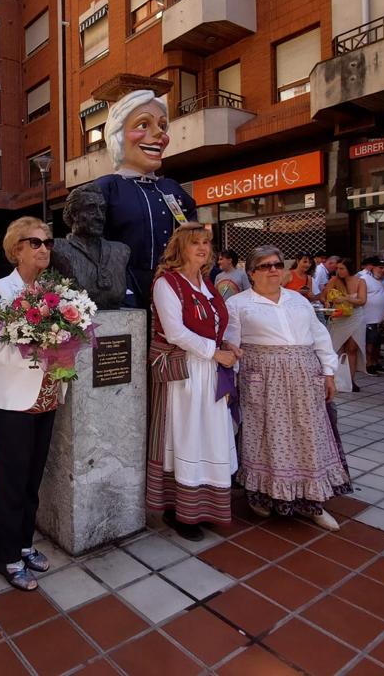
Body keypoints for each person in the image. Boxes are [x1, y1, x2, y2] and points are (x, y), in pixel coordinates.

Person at [225, 246, 351, 532]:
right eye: (265, 266)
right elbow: (231, 345)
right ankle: (261, 496)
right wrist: (232, 385)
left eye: (277, 265)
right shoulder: (238, 304)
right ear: (252, 273)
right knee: (264, 435)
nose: (273, 270)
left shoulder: (298, 300)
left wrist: (328, 372)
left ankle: (312, 501)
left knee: (309, 435)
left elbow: (319, 336)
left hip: (305, 376)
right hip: (263, 378)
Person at [146, 224, 238, 542]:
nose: (202, 248)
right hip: (184, 372)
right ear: (180, 248)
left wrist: (226, 345)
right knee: (186, 437)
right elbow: (175, 333)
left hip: (209, 368)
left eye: (206, 243)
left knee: (209, 437)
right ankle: (180, 511)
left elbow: (216, 323)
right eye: (194, 243)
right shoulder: (166, 282)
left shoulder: (206, 282)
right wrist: (216, 352)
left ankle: (206, 507)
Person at [0, 217, 61, 591]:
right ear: (16, 249)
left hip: (47, 399)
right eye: (35, 242)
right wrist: (40, 349)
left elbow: (69, 338)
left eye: (47, 241)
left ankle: (25, 544)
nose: (44, 248)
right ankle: (7, 557)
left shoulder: (52, 288)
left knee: (32, 481)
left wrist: (63, 346)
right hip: (12, 402)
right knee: (12, 484)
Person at [94, 90, 197, 307]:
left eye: (162, 126)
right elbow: (92, 249)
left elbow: (194, 241)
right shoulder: (106, 188)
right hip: (122, 292)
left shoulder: (173, 189)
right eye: (143, 125)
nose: (159, 133)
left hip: (175, 290)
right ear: (117, 133)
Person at [321, 257, 367, 392]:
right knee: (337, 348)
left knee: (352, 348)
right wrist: (327, 302)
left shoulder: (360, 281)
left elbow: (362, 301)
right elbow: (324, 295)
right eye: (337, 269)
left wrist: (346, 298)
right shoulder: (334, 280)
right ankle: (336, 379)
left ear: (349, 269)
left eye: (342, 269)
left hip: (355, 316)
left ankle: (350, 380)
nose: (339, 271)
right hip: (339, 316)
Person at [359, 258, 384, 374]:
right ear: (372, 268)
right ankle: (368, 364)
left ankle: (375, 363)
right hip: (369, 317)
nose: (383, 270)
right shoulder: (364, 279)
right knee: (370, 343)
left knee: (378, 342)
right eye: (380, 268)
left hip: (383, 318)